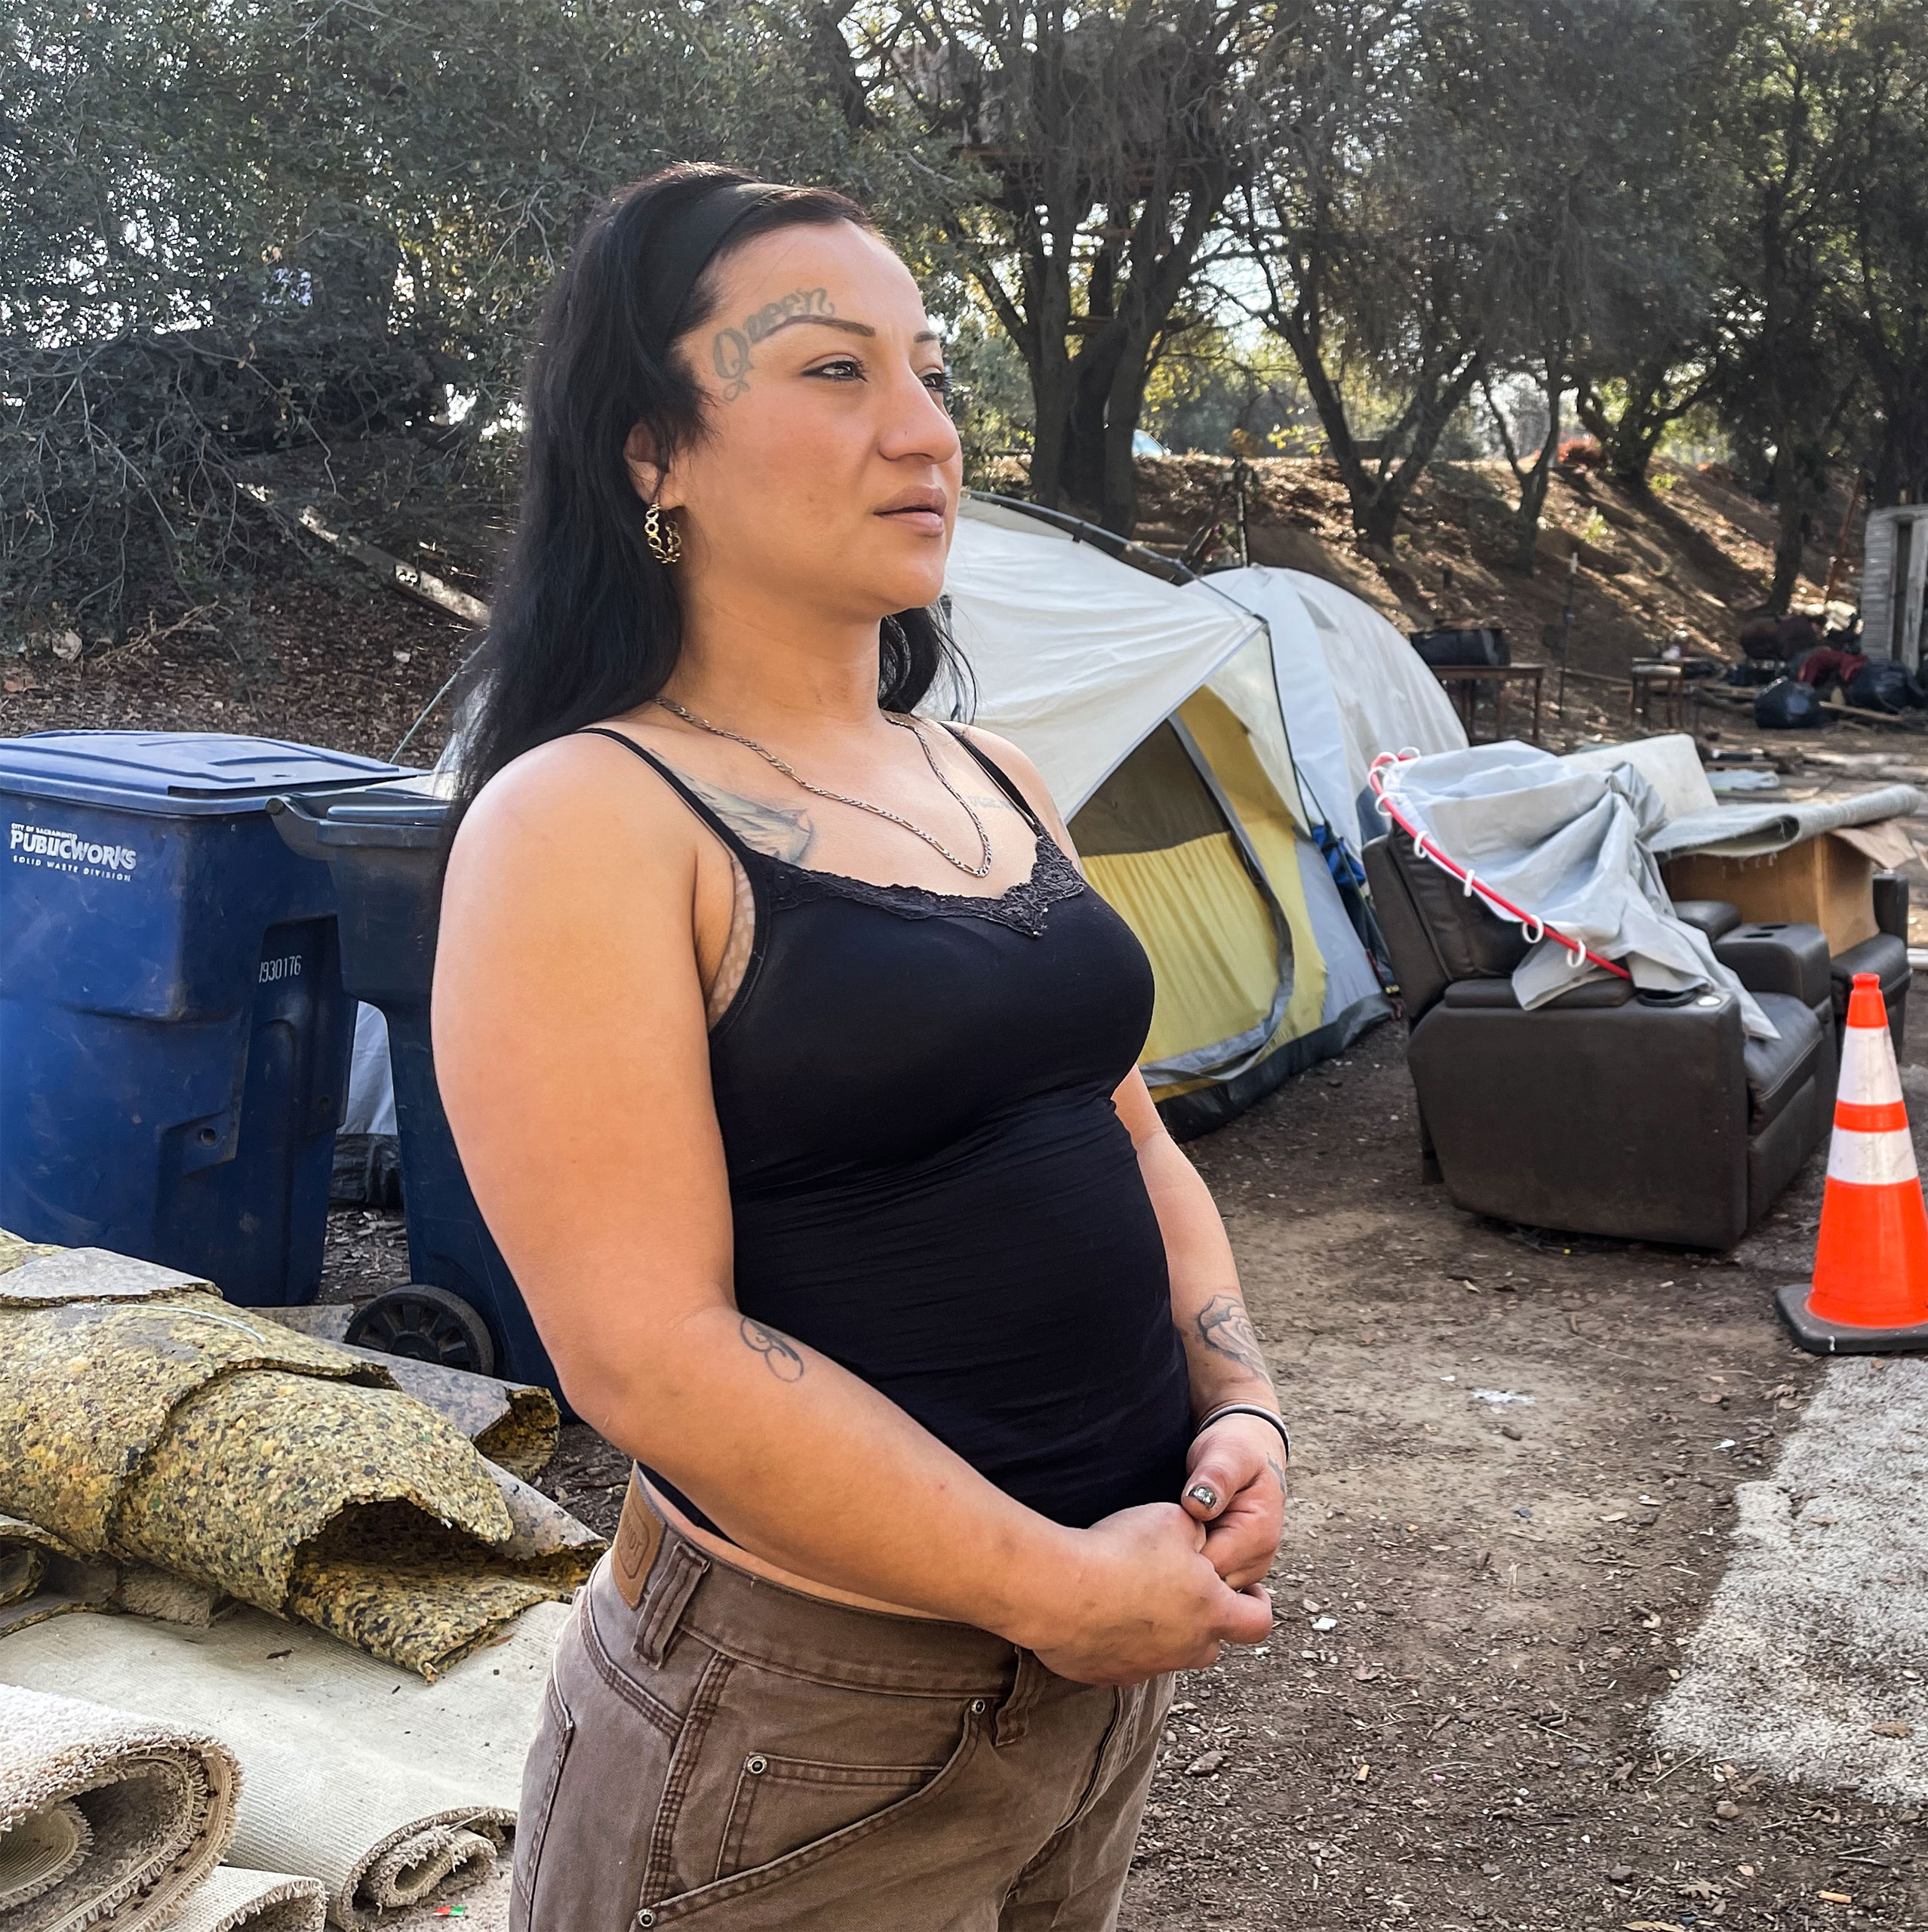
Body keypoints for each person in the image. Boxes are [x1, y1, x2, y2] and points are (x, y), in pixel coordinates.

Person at [432, 163, 1282, 1932]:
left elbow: (1129, 1139)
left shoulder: (996, 777)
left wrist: (1238, 1400)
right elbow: (649, 1355)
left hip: (1088, 1678)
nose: (926, 431)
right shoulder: (587, 817)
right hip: (798, 1730)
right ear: (649, 451)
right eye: (833, 370)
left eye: (932, 369)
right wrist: (1047, 1580)